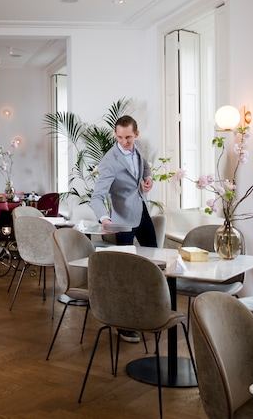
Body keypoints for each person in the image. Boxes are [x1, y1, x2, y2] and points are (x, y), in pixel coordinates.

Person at [90, 115, 157, 343]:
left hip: (143, 213)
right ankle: (123, 323)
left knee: (155, 261)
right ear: (115, 134)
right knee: (125, 272)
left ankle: (151, 311)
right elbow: (96, 197)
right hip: (123, 220)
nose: (124, 141)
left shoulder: (138, 147)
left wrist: (148, 178)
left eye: (128, 137)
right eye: (119, 137)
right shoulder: (109, 162)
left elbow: (144, 165)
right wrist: (104, 218)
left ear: (136, 134)